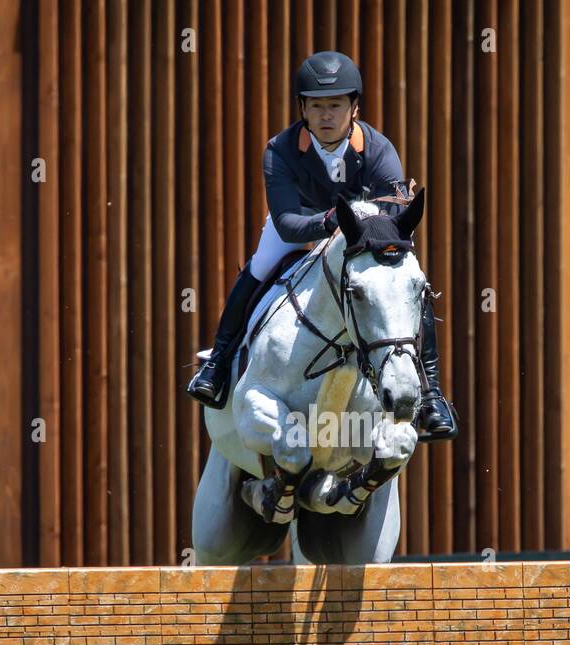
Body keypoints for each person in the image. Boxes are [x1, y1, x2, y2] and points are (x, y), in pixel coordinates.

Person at [186, 50, 457, 442]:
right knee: (259, 268)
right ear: (303, 109)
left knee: (408, 284)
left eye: (335, 106)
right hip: (305, 223)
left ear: (354, 107)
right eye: (316, 107)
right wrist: (330, 220)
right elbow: (286, 222)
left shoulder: (378, 149)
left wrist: (355, 226)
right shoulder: (279, 150)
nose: (326, 116)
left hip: (364, 229)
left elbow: (391, 218)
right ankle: (219, 362)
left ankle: (431, 395)